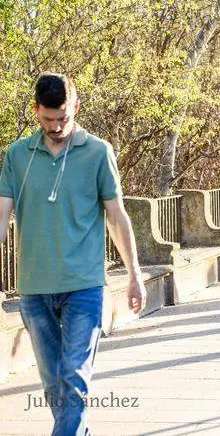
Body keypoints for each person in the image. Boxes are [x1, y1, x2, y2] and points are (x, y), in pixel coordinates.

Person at [0, 73, 145, 435]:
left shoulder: (98, 152)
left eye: (63, 118)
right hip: (34, 288)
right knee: (55, 384)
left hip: (84, 285)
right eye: (48, 119)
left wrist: (135, 275)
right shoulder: (18, 155)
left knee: (73, 378)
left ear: (76, 107)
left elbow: (116, 216)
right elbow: (1, 215)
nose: (56, 127)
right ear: (36, 110)